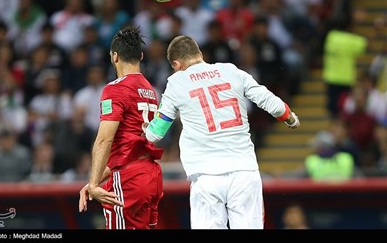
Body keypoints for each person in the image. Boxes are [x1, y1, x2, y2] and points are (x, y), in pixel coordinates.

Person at [145, 35, 300, 229]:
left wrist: (143, 132)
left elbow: (156, 133)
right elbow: (271, 103)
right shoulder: (231, 70)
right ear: (200, 54)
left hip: (206, 174)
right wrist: (290, 118)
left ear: (176, 64)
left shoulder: (177, 82)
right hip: (243, 169)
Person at [78, 27, 164, 229]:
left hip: (129, 181)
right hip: (151, 175)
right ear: (141, 56)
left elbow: (104, 140)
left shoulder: (115, 89)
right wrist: (97, 179)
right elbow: (132, 147)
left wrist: (93, 183)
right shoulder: (150, 90)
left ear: (114, 56)